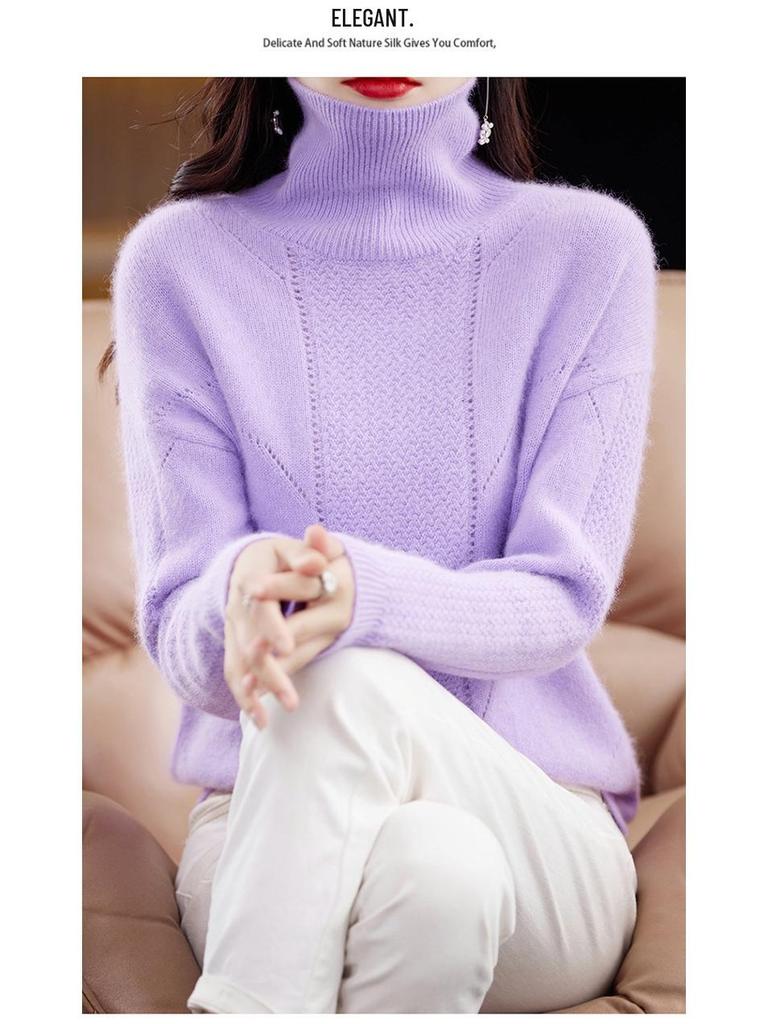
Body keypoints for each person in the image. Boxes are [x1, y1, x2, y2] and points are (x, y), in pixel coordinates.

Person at [107, 76, 657, 1013]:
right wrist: (238, 591)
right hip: (264, 830)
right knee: (437, 873)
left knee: (337, 665)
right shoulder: (179, 262)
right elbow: (181, 629)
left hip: (539, 831)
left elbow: (564, 593)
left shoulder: (589, 251)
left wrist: (358, 598)